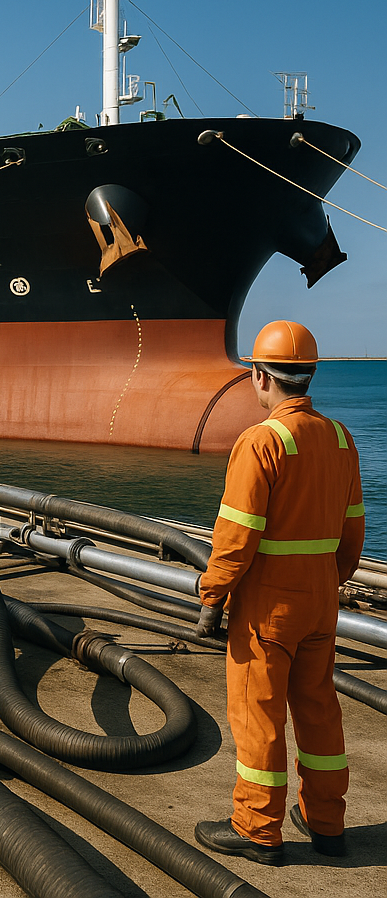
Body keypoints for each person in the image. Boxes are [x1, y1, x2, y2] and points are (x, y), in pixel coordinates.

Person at [194, 320, 364, 864]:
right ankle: (327, 824)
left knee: (258, 713)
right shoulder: (340, 438)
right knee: (319, 709)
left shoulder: (261, 441)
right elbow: (353, 531)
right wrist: (327, 582)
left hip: (268, 606)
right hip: (320, 599)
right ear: (308, 374)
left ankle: (256, 828)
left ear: (261, 376)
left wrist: (212, 595)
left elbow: (236, 536)